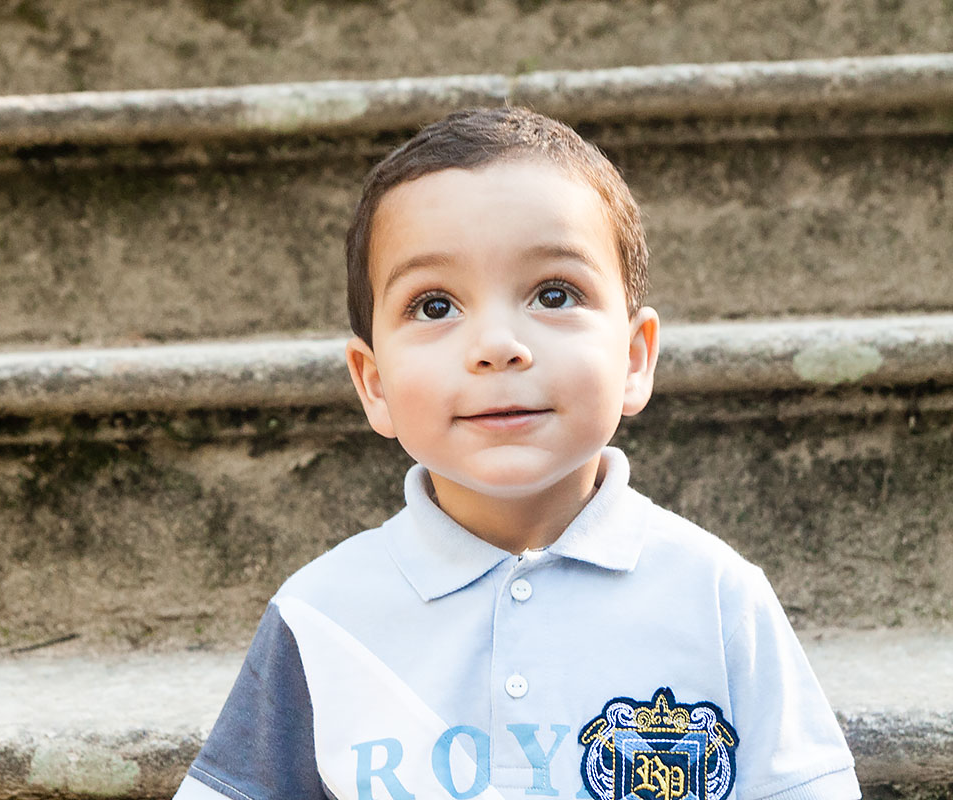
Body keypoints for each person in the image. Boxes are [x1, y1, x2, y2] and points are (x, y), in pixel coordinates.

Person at [173, 107, 859, 800]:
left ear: (633, 358)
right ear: (373, 384)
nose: (497, 344)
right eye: (435, 306)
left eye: (553, 293)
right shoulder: (321, 616)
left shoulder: (716, 598)